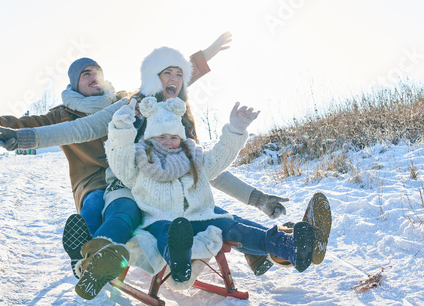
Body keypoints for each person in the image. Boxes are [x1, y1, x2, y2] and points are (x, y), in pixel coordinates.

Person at [0, 33, 232, 279]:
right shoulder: (63, 115)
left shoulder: (126, 101)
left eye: (96, 72)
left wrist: (205, 56)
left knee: (129, 208)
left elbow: (168, 81)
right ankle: (82, 253)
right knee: (95, 205)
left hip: (132, 176)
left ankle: (95, 256)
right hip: (91, 182)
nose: (93, 77)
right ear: (75, 83)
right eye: (85, 74)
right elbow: (18, 125)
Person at [100, 96, 319, 296]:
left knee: (238, 230)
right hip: (160, 220)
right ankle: (179, 264)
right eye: (161, 136)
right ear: (150, 136)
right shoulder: (139, 162)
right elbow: (119, 159)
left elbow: (220, 158)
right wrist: (121, 128)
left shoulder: (194, 158)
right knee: (167, 234)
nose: (168, 141)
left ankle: (290, 247)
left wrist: (235, 130)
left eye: (173, 136)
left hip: (203, 217)